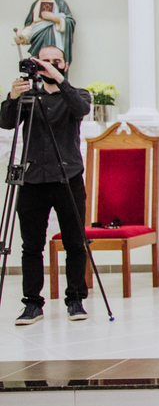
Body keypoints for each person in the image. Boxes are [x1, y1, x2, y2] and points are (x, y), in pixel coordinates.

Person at [3, 46, 92, 325]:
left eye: (56, 61)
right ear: (36, 64)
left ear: (65, 64)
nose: (51, 65)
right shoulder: (28, 96)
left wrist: (59, 79)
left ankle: (75, 299)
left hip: (68, 178)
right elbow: (6, 123)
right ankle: (32, 304)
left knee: (74, 242)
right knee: (31, 246)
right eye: (45, 62)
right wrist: (12, 97)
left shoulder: (78, 94)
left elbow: (81, 110)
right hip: (32, 179)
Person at [17, 0, 75, 64]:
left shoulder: (60, 3)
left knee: (54, 66)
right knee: (39, 65)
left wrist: (55, 19)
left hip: (55, 43)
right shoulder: (36, 4)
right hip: (39, 42)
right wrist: (23, 37)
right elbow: (32, 25)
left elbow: (70, 22)